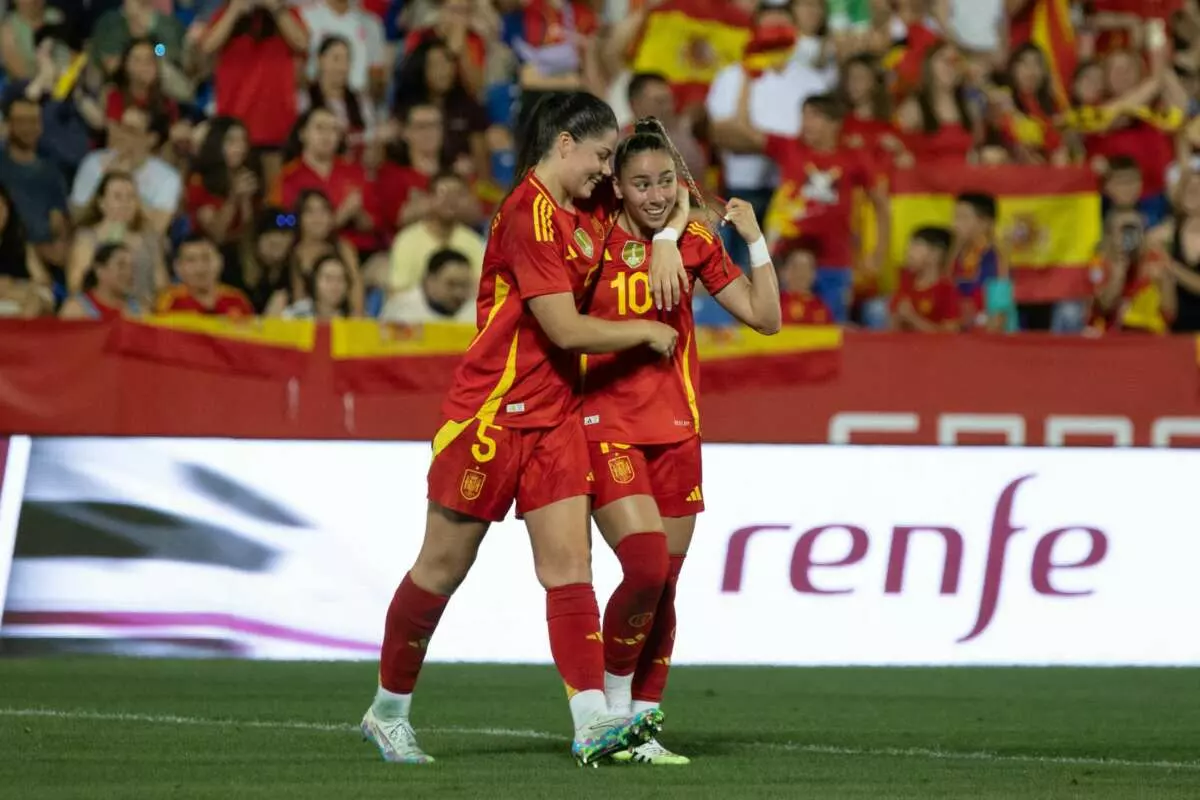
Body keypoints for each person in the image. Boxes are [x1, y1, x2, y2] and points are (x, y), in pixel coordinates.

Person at [360, 91, 690, 767]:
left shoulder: (590, 204)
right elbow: (563, 328)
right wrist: (646, 330)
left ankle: (592, 723)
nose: (608, 171)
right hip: (490, 415)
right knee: (441, 569)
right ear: (564, 144)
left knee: (570, 570)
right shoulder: (526, 215)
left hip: (557, 418)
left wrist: (660, 239)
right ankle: (387, 711)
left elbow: (671, 192)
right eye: (600, 156)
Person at [579, 119, 781, 765]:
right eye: (641, 183)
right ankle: (610, 712)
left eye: (666, 180)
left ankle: (644, 724)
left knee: (665, 582)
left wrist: (753, 241)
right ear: (617, 184)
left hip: (677, 429)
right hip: (606, 422)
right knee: (642, 566)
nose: (656, 193)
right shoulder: (593, 232)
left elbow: (766, 318)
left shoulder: (693, 239)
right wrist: (660, 236)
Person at [155, 234, 254, 316]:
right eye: (191, 260)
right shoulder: (170, 302)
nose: (200, 268)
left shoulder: (237, 300)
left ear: (220, 261)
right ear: (178, 267)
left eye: (206, 258)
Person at [380, 247, 475, 323]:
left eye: (464, 285)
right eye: (451, 284)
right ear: (430, 281)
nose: (458, 293)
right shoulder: (402, 312)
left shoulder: (476, 313)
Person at [59, 242, 142, 320]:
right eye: (121, 266)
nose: (129, 272)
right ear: (100, 270)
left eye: (132, 267)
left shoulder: (136, 310)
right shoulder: (76, 309)